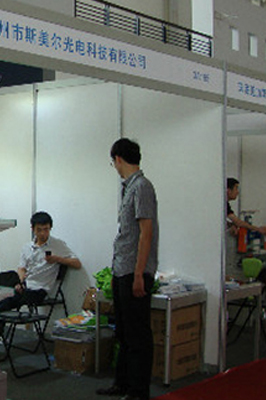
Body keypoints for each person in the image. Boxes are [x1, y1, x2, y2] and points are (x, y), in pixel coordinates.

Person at [97, 138, 158, 400]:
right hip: (122, 269)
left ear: (118, 159)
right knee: (122, 332)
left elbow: (146, 233)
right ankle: (121, 383)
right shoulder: (129, 188)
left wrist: (139, 274)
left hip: (135, 271)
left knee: (137, 335)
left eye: (113, 162)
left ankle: (138, 391)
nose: (114, 167)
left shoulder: (142, 187)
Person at [0, 211, 81, 356]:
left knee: (2, 304)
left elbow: (77, 263)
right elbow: (21, 269)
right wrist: (20, 282)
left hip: (39, 290)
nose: (43, 233)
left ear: (50, 228)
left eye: (46, 229)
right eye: (39, 230)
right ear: (33, 229)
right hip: (25, 285)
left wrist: (57, 259)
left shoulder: (57, 244)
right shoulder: (27, 247)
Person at [225, 177, 266, 279]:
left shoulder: (225, 204)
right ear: (228, 190)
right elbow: (238, 222)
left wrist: (231, 225)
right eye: (236, 188)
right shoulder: (221, 203)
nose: (237, 192)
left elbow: (228, 221)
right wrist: (258, 229)